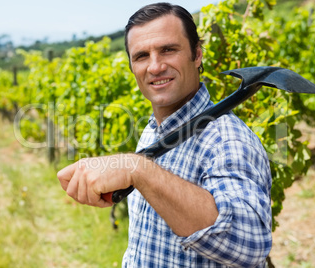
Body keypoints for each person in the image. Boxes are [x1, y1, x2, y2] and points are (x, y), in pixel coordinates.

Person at [57, 2, 272, 267]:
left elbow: (249, 246)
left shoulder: (228, 140)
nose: (155, 66)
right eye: (141, 56)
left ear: (197, 54)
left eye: (168, 50)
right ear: (132, 67)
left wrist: (138, 169)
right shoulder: (151, 131)